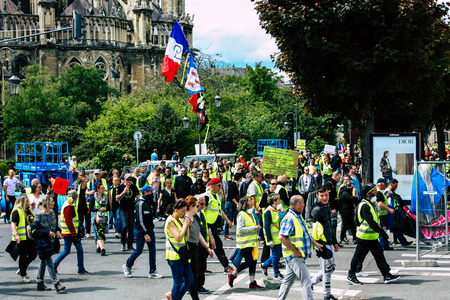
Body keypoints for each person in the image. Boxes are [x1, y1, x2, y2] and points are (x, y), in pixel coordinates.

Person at [347, 184, 401, 285]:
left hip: (371, 236)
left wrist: (381, 227)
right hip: (364, 237)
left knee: (379, 255)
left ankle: (386, 275)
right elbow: (370, 222)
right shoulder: (364, 205)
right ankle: (351, 275)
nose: (376, 192)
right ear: (368, 193)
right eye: (374, 190)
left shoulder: (369, 203)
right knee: (358, 256)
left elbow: (375, 219)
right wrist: (382, 233)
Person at [277, 195, 323, 300]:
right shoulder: (290, 218)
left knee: (287, 281)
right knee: (306, 281)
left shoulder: (297, 216)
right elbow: (282, 237)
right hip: (294, 256)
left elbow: (305, 233)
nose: (304, 205)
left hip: (295, 255)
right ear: (298, 205)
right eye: (303, 203)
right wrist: (295, 251)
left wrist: (316, 244)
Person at [123, 185, 164, 278]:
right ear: (145, 193)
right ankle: (127, 265)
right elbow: (139, 219)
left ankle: (152, 271)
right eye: (150, 192)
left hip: (150, 230)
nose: (152, 194)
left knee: (152, 251)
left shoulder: (148, 202)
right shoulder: (140, 203)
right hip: (141, 231)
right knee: (138, 250)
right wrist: (145, 233)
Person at [227, 196, 264, 289]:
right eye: (250, 201)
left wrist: (256, 233)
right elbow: (240, 229)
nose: (252, 203)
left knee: (253, 261)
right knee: (249, 262)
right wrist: (254, 228)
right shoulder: (241, 215)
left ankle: (252, 281)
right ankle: (233, 274)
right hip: (245, 243)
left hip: (252, 243)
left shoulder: (250, 215)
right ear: (245, 204)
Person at [30, 196, 65, 292]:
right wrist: (47, 233)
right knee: (49, 263)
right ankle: (56, 283)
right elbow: (34, 230)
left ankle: (39, 282)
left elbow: (54, 225)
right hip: (42, 242)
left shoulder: (53, 213)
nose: (54, 203)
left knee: (43, 262)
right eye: (52, 201)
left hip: (50, 241)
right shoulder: (39, 216)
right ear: (46, 203)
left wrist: (58, 230)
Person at [183, 196, 215, 300]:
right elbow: (185, 237)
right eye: (197, 206)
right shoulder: (185, 218)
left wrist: (207, 247)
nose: (199, 208)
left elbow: (199, 233)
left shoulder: (195, 217)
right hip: (189, 249)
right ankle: (175, 294)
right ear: (191, 207)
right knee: (190, 278)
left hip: (195, 248)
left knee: (193, 278)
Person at [310, 185, 339, 300]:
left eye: (326, 195)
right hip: (322, 243)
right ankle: (327, 294)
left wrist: (335, 241)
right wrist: (317, 244)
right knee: (327, 270)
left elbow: (330, 226)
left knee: (331, 268)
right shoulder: (317, 210)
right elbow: (314, 229)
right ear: (317, 196)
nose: (324, 197)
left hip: (329, 241)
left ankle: (311, 282)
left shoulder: (327, 206)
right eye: (322, 195)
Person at [54, 190, 90, 274]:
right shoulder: (69, 206)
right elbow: (68, 221)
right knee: (67, 251)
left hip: (70, 232)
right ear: (74, 197)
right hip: (69, 233)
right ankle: (54, 265)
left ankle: (81, 268)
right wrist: (74, 233)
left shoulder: (69, 204)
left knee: (77, 250)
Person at [203, 178, 235, 274]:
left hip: (213, 225)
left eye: (221, 185)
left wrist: (228, 220)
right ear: (212, 186)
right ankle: (226, 266)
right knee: (217, 245)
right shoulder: (207, 196)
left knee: (206, 247)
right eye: (219, 185)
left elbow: (219, 210)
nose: (221, 188)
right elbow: (201, 211)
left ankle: (202, 267)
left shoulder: (217, 196)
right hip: (207, 225)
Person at [164, 200, 194, 300]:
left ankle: (174, 297)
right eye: (183, 211)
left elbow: (187, 237)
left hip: (183, 254)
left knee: (190, 280)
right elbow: (178, 237)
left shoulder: (180, 220)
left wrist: (187, 226)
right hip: (174, 256)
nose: (185, 213)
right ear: (176, 210)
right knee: (178, 282)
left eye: (186, 211)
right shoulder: (170, 221)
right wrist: (185, 225)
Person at [10, 193, 37, 283]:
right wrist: (16, 235)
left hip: (30, 236)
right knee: (23, 256)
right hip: (22, 238)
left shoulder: (28, 210)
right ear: (24, 201)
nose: (29, 201)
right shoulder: (17, 211)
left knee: (33, 254)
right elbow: (13, 223)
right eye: (28, 200)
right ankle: (23, 274)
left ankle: (22, 269)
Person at [260, 193, 284, 280]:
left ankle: (264, 264)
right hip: (273, 238)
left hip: (277, 237)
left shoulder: (275, 210)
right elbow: (266, 226)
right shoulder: (268, 212)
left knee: (277, 255)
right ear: (274, 201)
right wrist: (269, 240)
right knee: (276, 255)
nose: (280, 201)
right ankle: (276, 273)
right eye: (278, 199)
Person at [195, 194, 215, 294]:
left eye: (204, 204)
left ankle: (199, 285)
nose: (203, 205)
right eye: (201, 204)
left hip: (203, 245)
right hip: (196, 245)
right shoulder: (193, 214)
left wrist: (211, 240)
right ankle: (197, 286)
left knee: (202, 266)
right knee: (197, 267)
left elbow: (206, 228)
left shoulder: (202, 213)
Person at [117, 173, 139, 251]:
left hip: (131, 209)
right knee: (124, 226)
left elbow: (138, 197)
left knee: (131, 228)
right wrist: (124, 192)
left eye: (130, 179)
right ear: (124, 180)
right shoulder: (120, 187)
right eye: (128, 180)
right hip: (123, 209)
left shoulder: (134, 187)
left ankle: (130, 244)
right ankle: (123, 243)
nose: (129, 181)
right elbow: (117, 198)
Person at [90, 182, 110, 256]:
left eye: (104, 188)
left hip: (104, 216)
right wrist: (98, 209)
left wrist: (105, 209)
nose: (104, 189)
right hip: (96, 217)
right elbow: (91, 208)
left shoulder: (106, 197)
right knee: (99, 233)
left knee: (101, 232)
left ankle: (98, 247)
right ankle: (102, 249)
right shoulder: (94, 197)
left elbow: (109, 207)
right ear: (98, 189)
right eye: (102, 188)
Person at [224, 173, 242, 240]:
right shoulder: (233, 184)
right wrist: (237, 203)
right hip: (230, 203)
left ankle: (239, 232)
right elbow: (231, 196)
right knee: (228, 219)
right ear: (240, 178)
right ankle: (226, 234)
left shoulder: (236, 184)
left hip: (233, 203)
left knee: (236, 217)